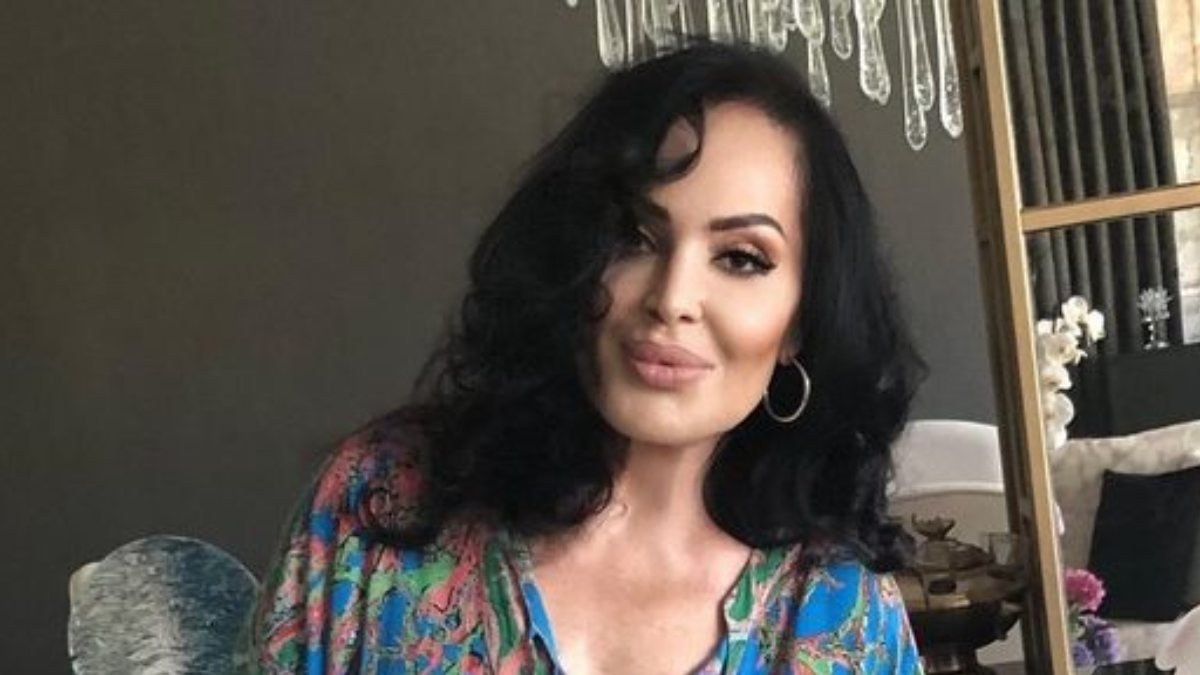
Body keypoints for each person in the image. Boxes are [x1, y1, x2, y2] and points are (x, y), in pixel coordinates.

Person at [237, 43, 926, 674]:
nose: (672, 298)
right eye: (635, 236)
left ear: (800, 322)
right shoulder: (377, 504)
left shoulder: (843, 620)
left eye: (741, 258)